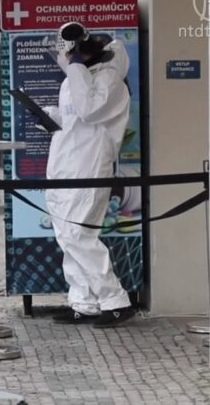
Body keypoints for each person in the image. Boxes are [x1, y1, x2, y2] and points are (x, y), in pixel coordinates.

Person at [43, 29, 136, 328]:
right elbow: (74, 119)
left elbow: (89, 111)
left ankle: (115, 300)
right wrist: (50, 116)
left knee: (78, 235)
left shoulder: (110, 81)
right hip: (65, 165)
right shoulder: (78, 78)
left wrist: (75, 67)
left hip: (89, 167)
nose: (69, 58)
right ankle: (83, 302)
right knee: (66, 236)